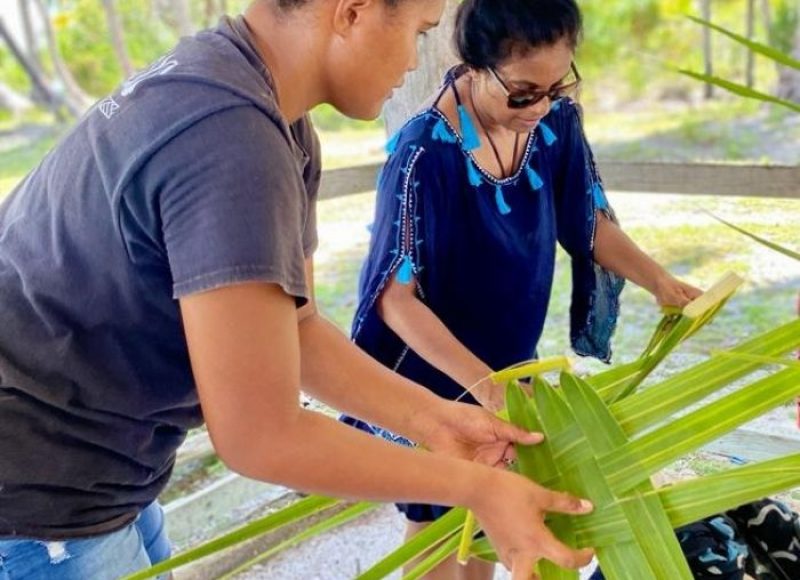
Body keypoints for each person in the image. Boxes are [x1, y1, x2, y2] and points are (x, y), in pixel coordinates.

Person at [0, 1, 597, 579]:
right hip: (38, 490)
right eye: (419, 31)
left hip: (104, 473)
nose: (417, 62)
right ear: (354, 11)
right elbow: (260, 435)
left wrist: (437, 423)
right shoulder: (232, 138)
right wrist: (478, 489)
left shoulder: (262, 108)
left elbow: (298, 328)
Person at [341, 1, 702, 578]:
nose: (540, 106)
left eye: (557, 86)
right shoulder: (423, 156)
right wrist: (487, 389)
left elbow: (585, 221)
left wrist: (660, 281)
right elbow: (395, 300)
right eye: (523, 92)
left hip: (511, 366)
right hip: (439, 381)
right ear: (474, 66)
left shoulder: (555, 122)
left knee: (492, 521)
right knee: (439, 528)